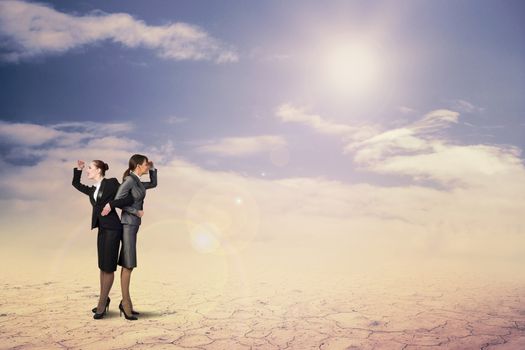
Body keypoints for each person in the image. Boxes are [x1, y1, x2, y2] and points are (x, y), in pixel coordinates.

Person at [72, 160, 133, 320]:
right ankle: (104, 299)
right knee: (102, 266)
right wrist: (79, 169)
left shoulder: (111, 183)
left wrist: (111, 204)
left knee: (108, 268)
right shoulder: (93, 190)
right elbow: (75, 184)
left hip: (113, 229)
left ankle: (101, 304)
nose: (88, 171)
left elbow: (128, 198)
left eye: (90, 168)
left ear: (99, 170)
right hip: (102, 230)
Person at [114, 154, 157, 320]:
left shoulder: (137, 181)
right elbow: (118, 200)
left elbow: (153, 183)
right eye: (146, 165)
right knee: (128, 263)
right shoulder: (130, 181)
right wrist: (135, 211)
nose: (147, 166)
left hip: (133, 225)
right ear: (138, 166)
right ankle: (125, 303)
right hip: (128, 224)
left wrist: (152, 168)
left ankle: (126, 302)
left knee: (129, 263)